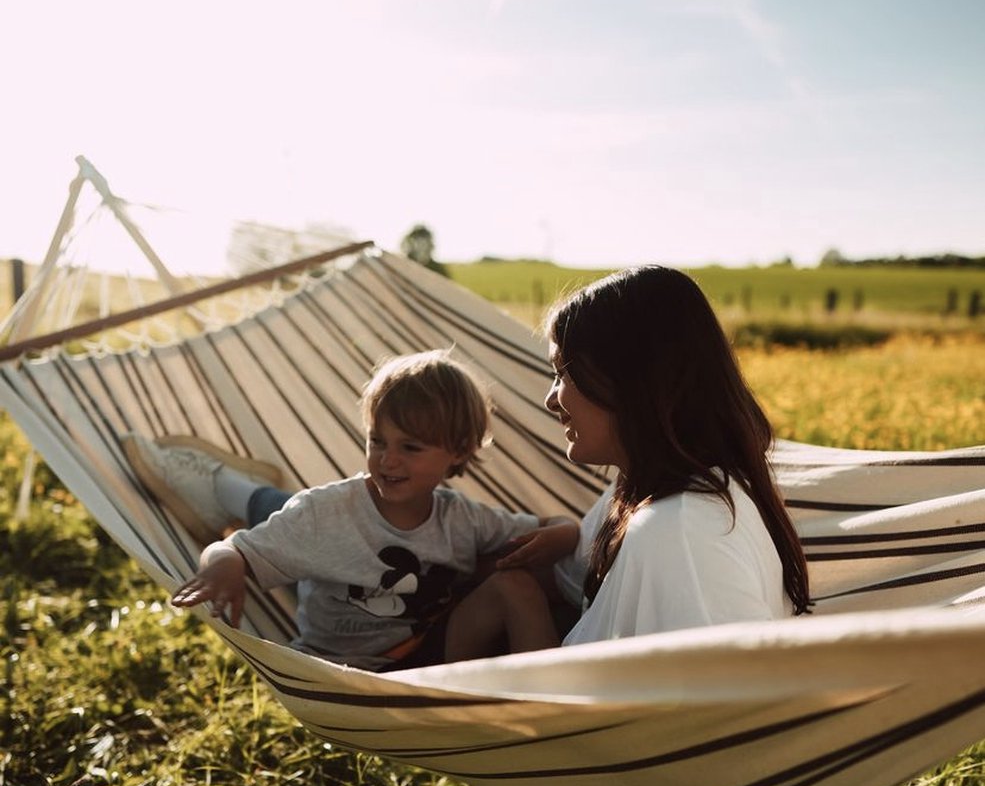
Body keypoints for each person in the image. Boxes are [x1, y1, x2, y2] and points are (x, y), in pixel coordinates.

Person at [123, 349, 578, 671]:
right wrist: (221, 564)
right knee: (293, 519)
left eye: (410, 447)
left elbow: (556, 525)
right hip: (338, 673)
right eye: (376, 441)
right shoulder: (327, 511)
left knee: (517, 584)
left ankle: (553, 704)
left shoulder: (463, 518)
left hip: (428, 663)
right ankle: (224, 484)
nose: (387, 459)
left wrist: (564, 534)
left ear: (457, 452)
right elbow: (234, 551)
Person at [540, 264, 811, 646]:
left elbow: (723, 693)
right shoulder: (659, 498)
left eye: (563, 374)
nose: (551, 400)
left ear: (630, 381)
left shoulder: (681, 529)